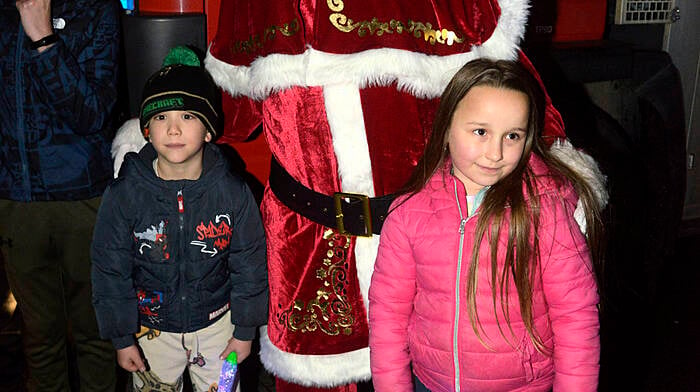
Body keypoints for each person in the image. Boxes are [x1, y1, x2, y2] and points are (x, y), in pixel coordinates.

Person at [203, 1, 581, 390]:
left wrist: (550, 181)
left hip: (429, 241)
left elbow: (507, 97)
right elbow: (227, 115)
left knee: (443, 365)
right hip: (307, 246)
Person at [368, 58, 605, 391]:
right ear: (447, 127)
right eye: (480, 132)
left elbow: (576, 315)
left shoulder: (545, 209)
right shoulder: (409, 212)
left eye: (512, 136)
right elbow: (387, 315)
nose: (495, 153)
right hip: (431, 383)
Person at [90, 46, 269, 391]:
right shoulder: (124, 194)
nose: (173, 129)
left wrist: (245, 331)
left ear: (208, 130)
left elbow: (250, 264)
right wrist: (121, 337)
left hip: (221, 329)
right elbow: (109, 269)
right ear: (146, 130)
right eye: (160, 118)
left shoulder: (233, 192)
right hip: (149, 332)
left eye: (187, 117)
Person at [0, 0, 121, 390]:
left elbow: (91, 113)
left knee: (96, 336)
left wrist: (43, 37)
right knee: (39, 341)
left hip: (83, 198)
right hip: (16, 200)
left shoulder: (95, 8)